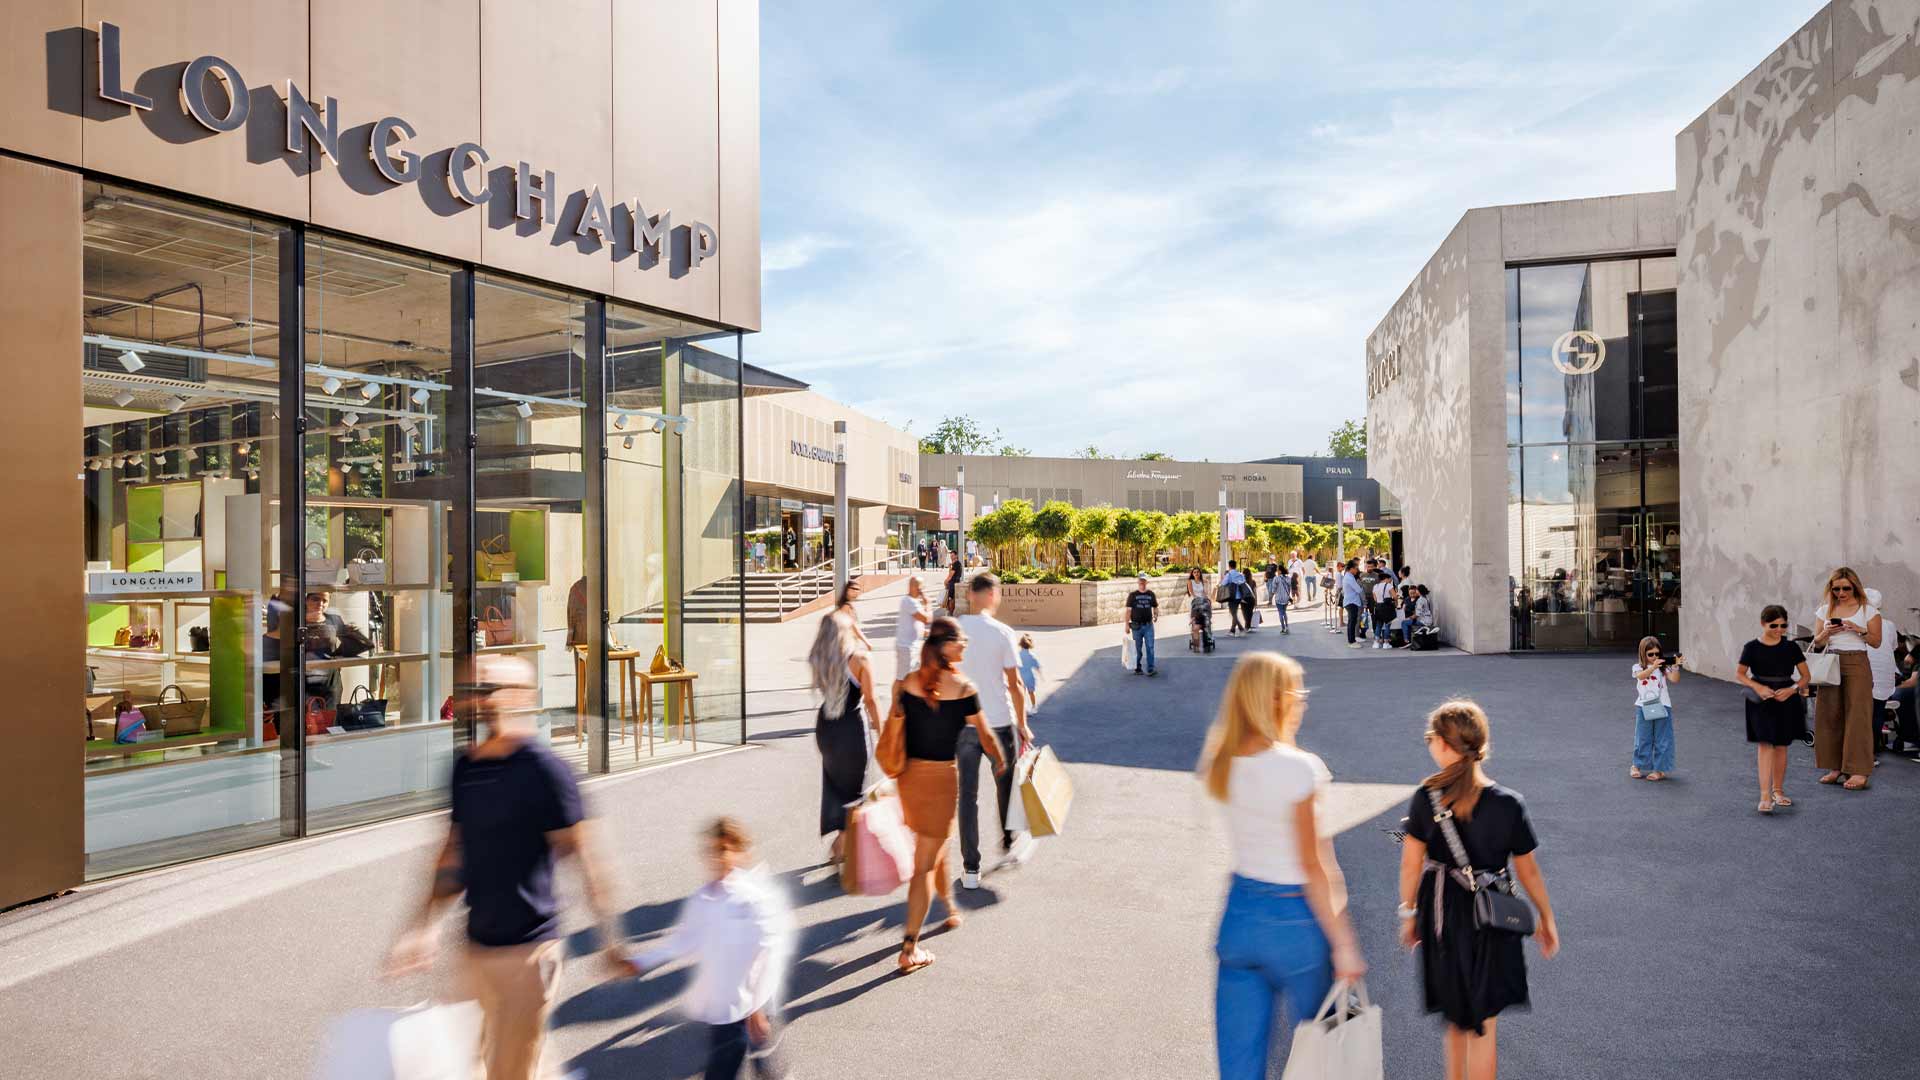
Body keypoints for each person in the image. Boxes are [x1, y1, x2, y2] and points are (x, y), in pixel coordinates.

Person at [386, 653, 627, 1080]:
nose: (476, 700)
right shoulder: (466, 767)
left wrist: (611, 940)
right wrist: (424, 926)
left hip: (529, 954)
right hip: (476, 949)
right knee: (458, 1066)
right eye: (471, 690)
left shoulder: (546, 771)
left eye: (486, 689)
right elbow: (452, 851)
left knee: (510, 1072)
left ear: (521, 696)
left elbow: (587, 859)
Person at [1198, 652, 1366, 1080]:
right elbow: (1316, 865)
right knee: (1320, 1056)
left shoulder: (1220, 764)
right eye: (1298, 692)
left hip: (1240, 913)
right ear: (1276, 700)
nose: (1303, 701)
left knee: (1239, 1065)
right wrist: (1345, 944)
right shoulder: (1299, 769)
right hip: (1295, 921)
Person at [1397, 702, 1558, 1079]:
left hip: (1443, 914)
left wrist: (1408, 914)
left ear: (1444, 744)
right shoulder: (1509, 803)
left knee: (1456, 1020)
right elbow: (1528, 870)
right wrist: (1546, 917)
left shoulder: (1427, 797)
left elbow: (1410, 865)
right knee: (1484, 1026)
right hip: (1493, 914)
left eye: (1431, 737)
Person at [628, 818, 795, 1080]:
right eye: (712, 850)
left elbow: (766, 953)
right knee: (731, 1067)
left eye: (724, 850)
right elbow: (682, 942)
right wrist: (639, 962)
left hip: (754, 1003)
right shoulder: (702, 898)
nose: (717, 857)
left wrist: (756, 1008)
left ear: (738, 853)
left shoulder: (751, 898)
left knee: (767, 1069)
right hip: (725, 1010)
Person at [886, 617, 1007, 972]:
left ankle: (949, 908)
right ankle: (910, 947)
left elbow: (895, 722)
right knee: (924, 863)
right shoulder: (964, 688)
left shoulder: (907, 683)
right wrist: (1001, 762)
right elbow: (985, 736)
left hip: (909, 779)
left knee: (935, 844)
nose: (965, 643)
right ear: (946, 646)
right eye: (960, 639)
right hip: (939, 781)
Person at [956, 574, 1034, 887]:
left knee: (967, 796)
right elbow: (1015, 684)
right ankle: (1008, 840)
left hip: (964, 726)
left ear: (970, 595)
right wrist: (1023, 724)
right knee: (1006, 786)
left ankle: (970, 869)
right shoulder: (1002, 632)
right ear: (991, 594)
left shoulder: (955, 628)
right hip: (999, 724)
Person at [808, 603, 880, 862]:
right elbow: (870, 700)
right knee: (857, 788)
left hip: (826, 727)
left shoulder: (820, 660)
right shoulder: (859, 659)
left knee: (836, 785)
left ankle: (842, 844)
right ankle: (843, 848)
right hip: (851, 728)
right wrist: (881, 730)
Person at [1812, 567, 1882, 790]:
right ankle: (1836, 767)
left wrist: (1857, 629)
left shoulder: (1868, 610)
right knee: (1829, 715)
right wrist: (1826, 634)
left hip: (1857, 661)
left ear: (1855, 587)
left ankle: (1859, 770)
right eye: (1836, 589)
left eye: (1846, 588)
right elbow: (1817, 643)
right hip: (1831, 661)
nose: (1841, 593)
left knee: (1858, 716)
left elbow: (1876, 641)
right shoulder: (1825, 610)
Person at [1736, 605, 1810, 814]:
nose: (1779, 630)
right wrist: (1758, 687)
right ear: (1763, 624)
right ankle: (1765, 795)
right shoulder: (1751, 647)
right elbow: (1740, 674)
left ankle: (1778, 791)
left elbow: (1806, 676)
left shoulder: (1791, 647)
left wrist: (1792, 689)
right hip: (1761, 699)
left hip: (1786, 697)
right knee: (1765, 744)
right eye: (1774, 625)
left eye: (1783, 626)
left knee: (1782, 746)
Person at [1631, 636, 1684, 781]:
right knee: (1642, 737)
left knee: (1663, 738)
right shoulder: (1638, 667)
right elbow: (1641, 676)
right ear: (1643, 654)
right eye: (1650, 654)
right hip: (1644, 705)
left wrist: (1675, 666)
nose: (1654, 657)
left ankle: (1660, 769)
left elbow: (1675, 679)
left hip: (1663, 704)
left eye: (1657, 653)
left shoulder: (1663, 667)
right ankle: (1637, 765)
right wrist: (1653, 667)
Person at [894, 576, 931, 692]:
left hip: (911, 646)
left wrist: (923, 632)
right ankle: (897, 701)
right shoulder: (909, 601)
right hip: (907, 647)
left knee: (909, 677)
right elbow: (927, 619)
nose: (922, 590)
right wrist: (928, 604)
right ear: (914, 587)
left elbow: (913, 622)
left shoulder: (913, 601)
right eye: (921, 587)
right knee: (902, 679)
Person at [1126, 571, 1160, 676]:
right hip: (1136, 626)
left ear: (1146, 582)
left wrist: (1155, 615)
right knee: (1137, 648)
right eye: (1140, 580)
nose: (1142, 582)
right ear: (1138, 581)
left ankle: (1150, 669)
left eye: (1144, 581)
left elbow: (1155, 607)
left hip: (1148, 625)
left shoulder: (1151, 594)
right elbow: (1128, 611)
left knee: (1150, 647)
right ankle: (1138, 668)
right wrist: (1126, 625)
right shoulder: (1133, 595)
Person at [1340, 560, 1365, 648]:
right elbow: (1358, 589)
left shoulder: (1349, 576)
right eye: (1356, 568)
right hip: (1351, 602)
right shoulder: (1349, 578)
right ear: (1351, 569)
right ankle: (1351, 641)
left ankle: (1353, 639)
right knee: (1352, 622)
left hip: (1351, 601)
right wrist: (1361, 587)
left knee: (1352, 622)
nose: (1357, 570)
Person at [1016, 633, 1042, 715]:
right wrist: (1041, 675)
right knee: (1031, 692)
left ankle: (1024, 708)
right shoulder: (1032, 655)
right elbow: (1037, 667)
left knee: (1022, 693)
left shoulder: (1018, 655)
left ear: (1020, 644)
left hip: (1021, 678)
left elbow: (1015, 666)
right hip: (1030, 677)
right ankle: (1034, 706)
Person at [1222, 560, 1250, 635]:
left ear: (1229, 566)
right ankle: (1232, 630)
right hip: (1239, 596)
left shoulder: (1229, 574)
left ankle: (1241, 629)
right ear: (1235, 566)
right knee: (1234, 613)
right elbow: (1244, 582)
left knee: (1233, 614)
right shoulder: (1240, 574)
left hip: (1231, 596)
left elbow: (1223, 583)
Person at [1371, 571, 1397, 650]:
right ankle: (1386, 643)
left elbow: (1375, 598)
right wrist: (1395, 602)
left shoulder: (1375, 586)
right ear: (1386, 579)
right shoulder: (1389, 586)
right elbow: (1395, 596)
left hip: (1378, 607)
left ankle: (1376, 643)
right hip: (1387, 607)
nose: (1390, 581)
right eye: (1390, 579)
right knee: (1387, 625)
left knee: (1379, 625)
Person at [1268, 564, 1291, 634]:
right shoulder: (1288, 578)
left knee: (1281, 613)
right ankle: (1287, 627)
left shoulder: (1276, 578)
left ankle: (1283, 628)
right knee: (1284, 612)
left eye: (1277, 570)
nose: (1277, 572)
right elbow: (1290, 587)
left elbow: (1273, 590)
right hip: (1286, 598)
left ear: (1280, 571)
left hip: (1278, 598)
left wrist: (1273, 593)